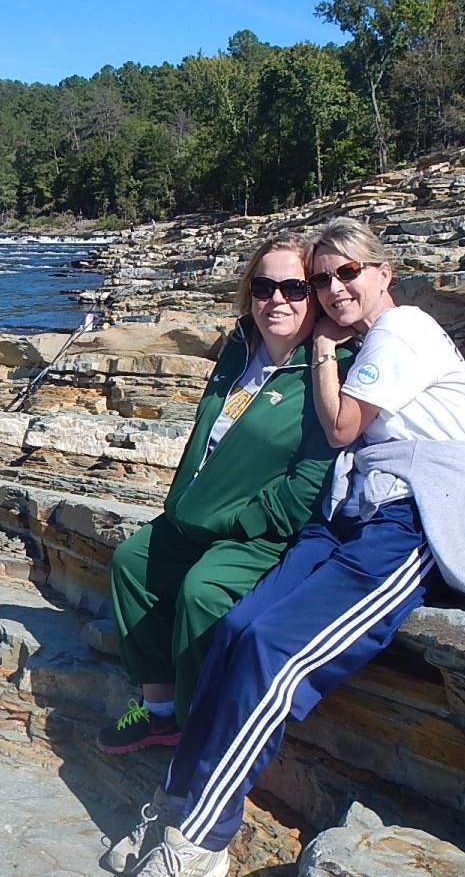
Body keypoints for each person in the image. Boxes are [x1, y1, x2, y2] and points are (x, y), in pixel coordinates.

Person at [110, 217, 465, 876]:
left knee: (272, 650)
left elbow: (341, 427)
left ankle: (201, 842)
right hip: (351, 511)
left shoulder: (402, 330)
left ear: (384, 271)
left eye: (343, 274)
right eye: (322, 279)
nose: (332, 289)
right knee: (235, 630)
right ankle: (177, 797)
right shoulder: (362, 339)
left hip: (410, 520)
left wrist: (322, 344)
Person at [98, 231, 350, 767]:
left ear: (315, 295)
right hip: (195, 515)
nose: (276, 300)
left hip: (261, 533)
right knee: (132, 562)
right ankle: (159, 712)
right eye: (263, 287)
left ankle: (202, 736)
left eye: (294, 288)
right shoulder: (239, 347)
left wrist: (233, 522)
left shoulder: (327, 369)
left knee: (202, 591)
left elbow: (310, 481)